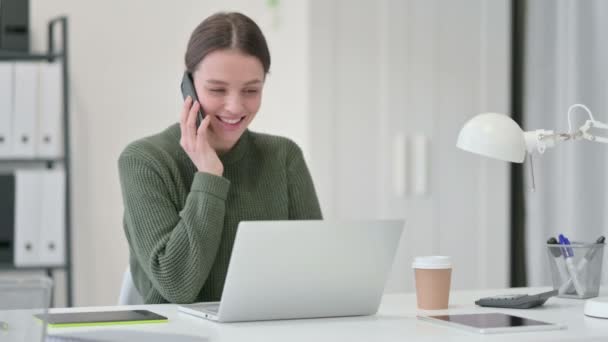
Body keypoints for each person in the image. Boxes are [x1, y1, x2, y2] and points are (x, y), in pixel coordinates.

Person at [118, 12, 322, 304]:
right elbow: (177, 286)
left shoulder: (284, 157)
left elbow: (317, 273)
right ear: (188, 86)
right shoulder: (145, 161)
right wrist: (209, 176)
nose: (235, 106)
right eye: (217, 89)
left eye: (251, 90)